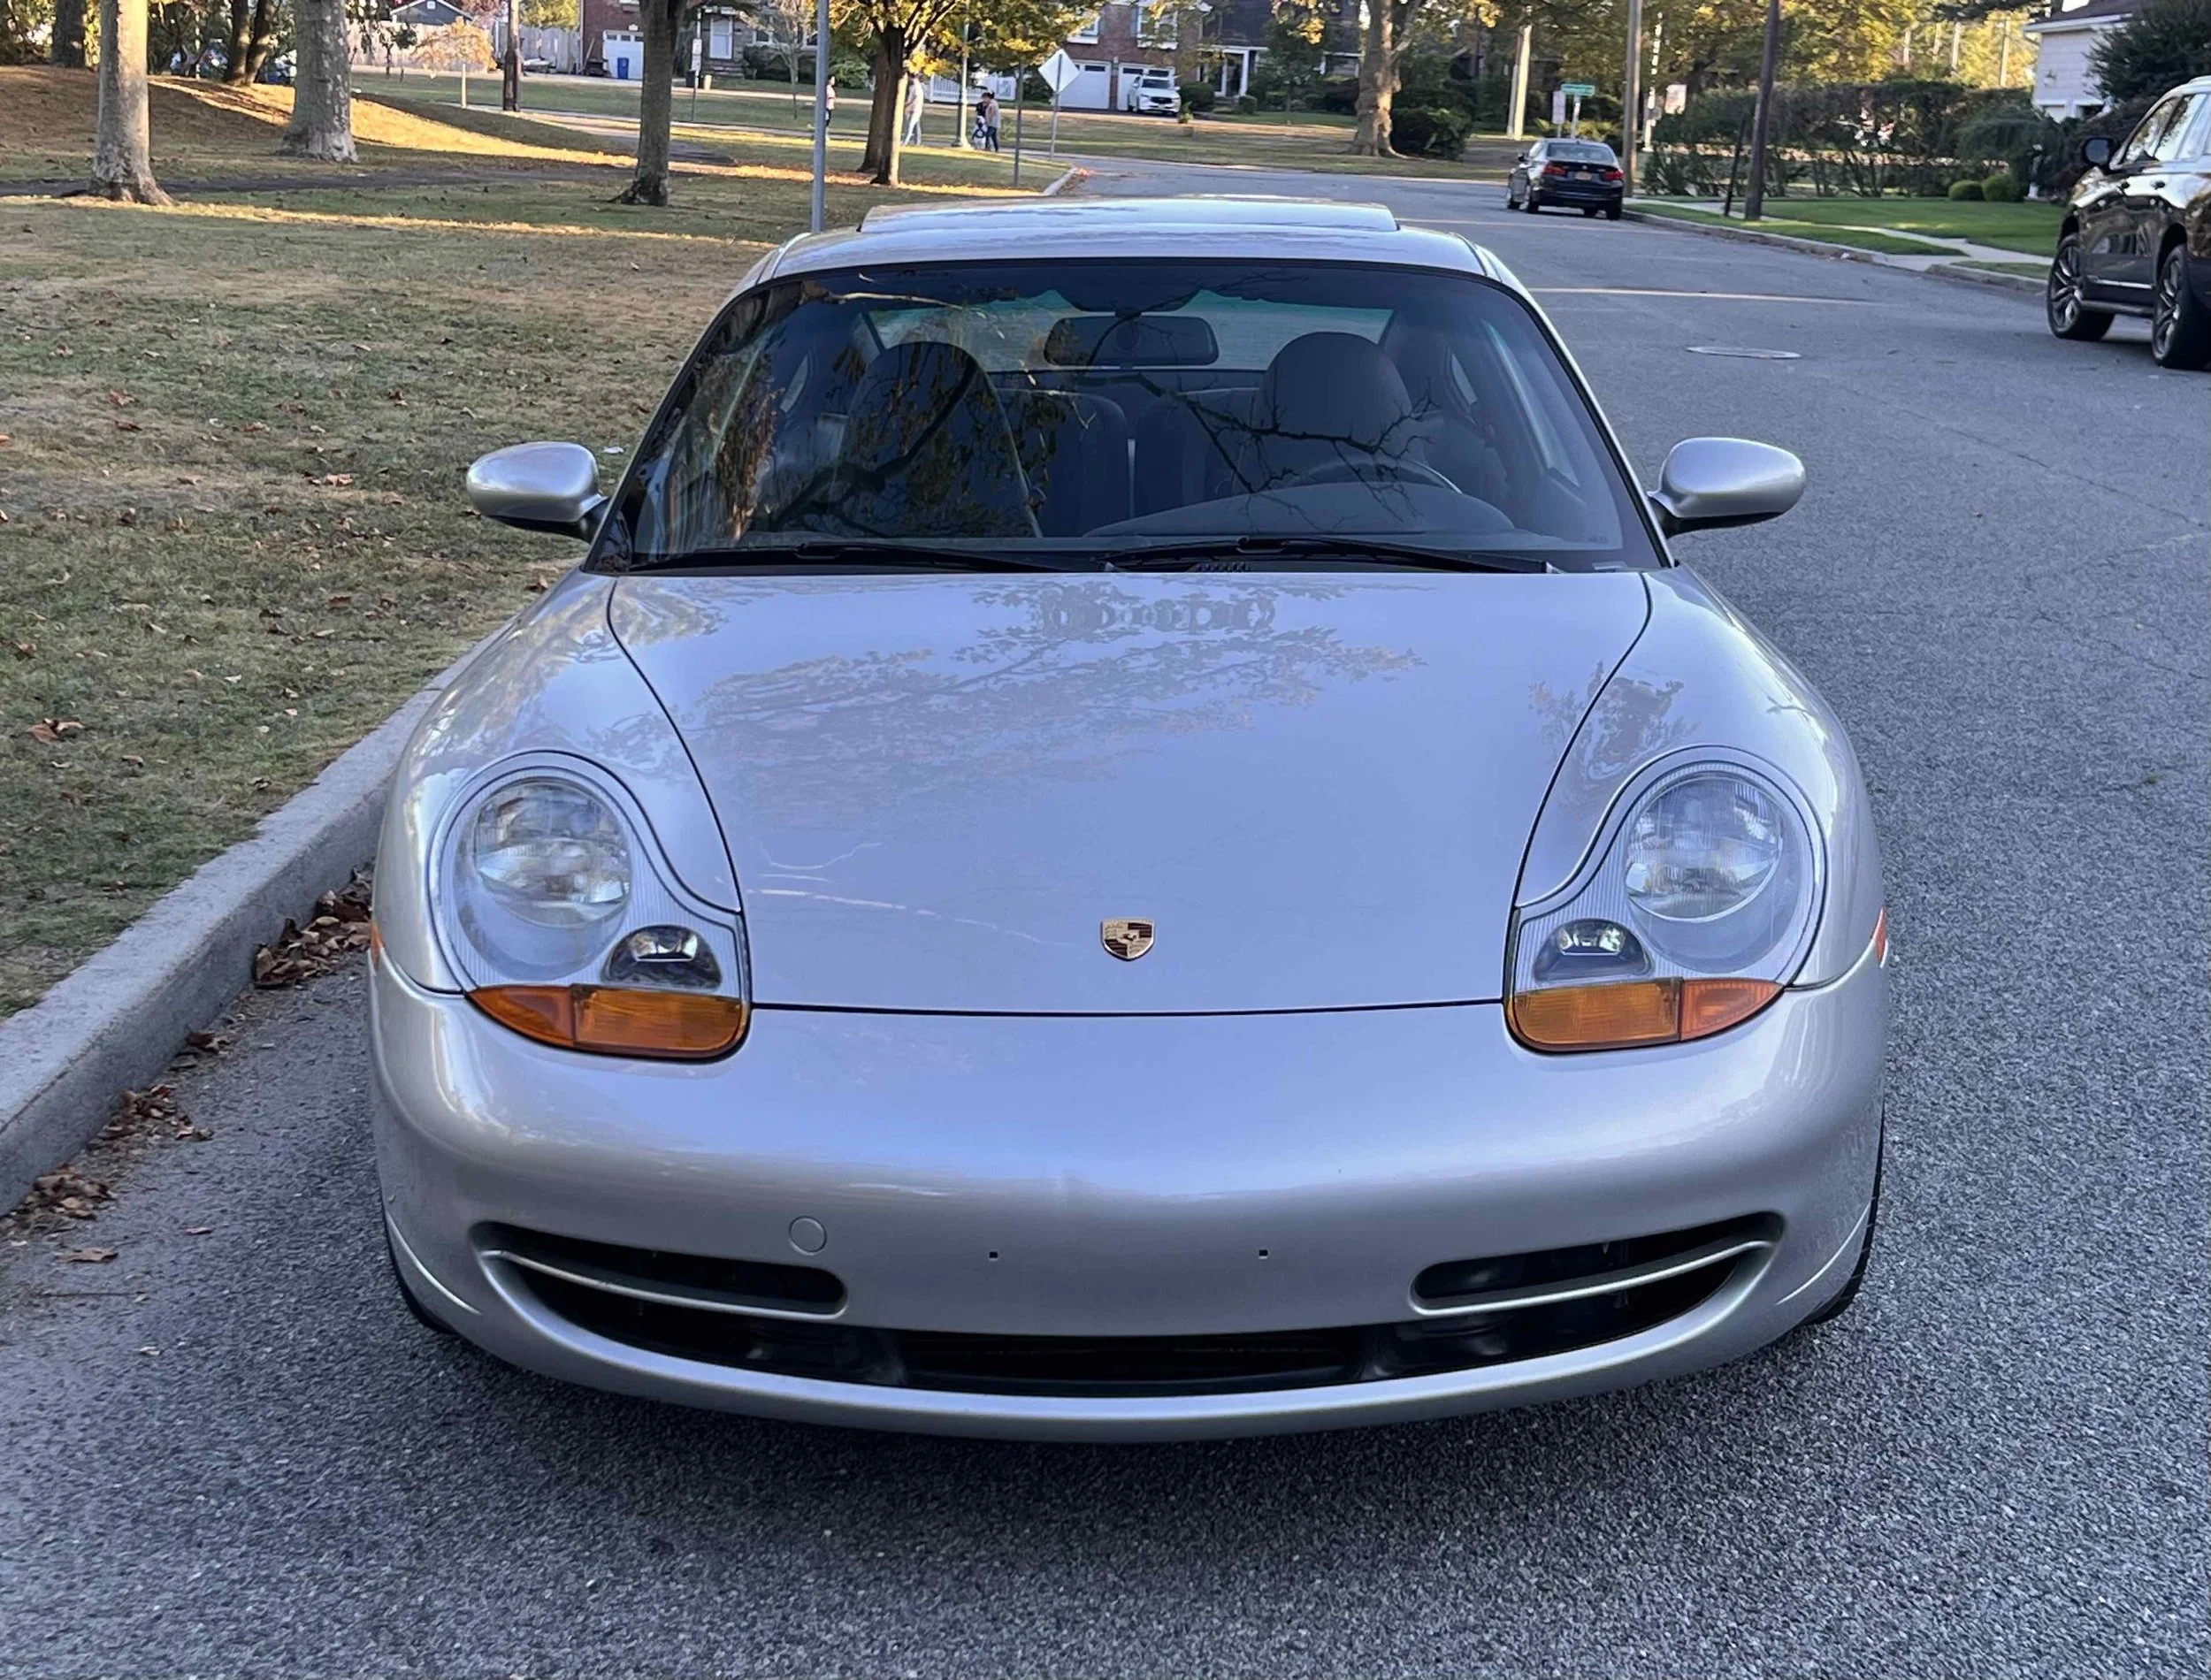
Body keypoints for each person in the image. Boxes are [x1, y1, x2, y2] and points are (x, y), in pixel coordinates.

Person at [901, 75, 925, 147]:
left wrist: (908, 104)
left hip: (914, 109)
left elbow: (916, 96)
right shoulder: (914, 86)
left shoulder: (916, 86)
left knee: (910, 126)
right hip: (914, 108)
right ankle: (917, 142)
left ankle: (905, 142)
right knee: (916, 126)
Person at [976, 88, 1000, 152]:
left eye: (984, 98)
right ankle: (996, 149)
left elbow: (991, 114)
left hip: (993, 124)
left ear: (988, 98)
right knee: (994, 137)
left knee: (987, 135)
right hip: (994, 124)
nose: (983, 100)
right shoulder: (991, 103)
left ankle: (987, 148)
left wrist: (988, 121)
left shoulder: (992, 104)